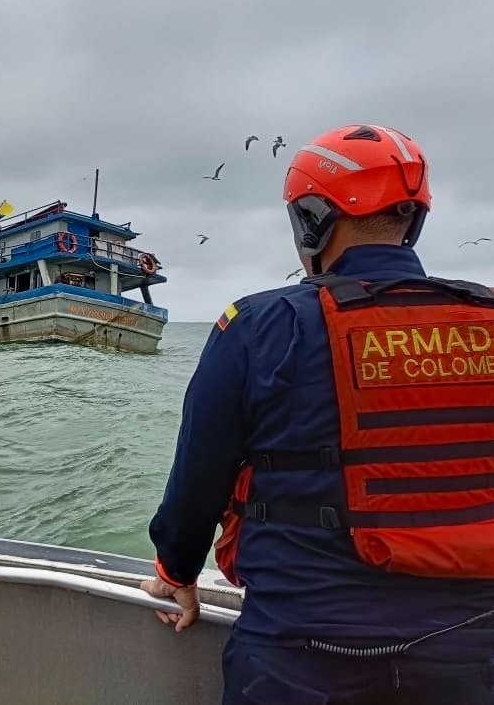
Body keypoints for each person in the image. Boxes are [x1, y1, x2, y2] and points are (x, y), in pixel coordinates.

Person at [141, 125, 494, 704]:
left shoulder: (258, 325)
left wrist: (176, 571)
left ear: (310, 220)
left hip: (300, 651)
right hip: (472, 647)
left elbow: (198, 478)